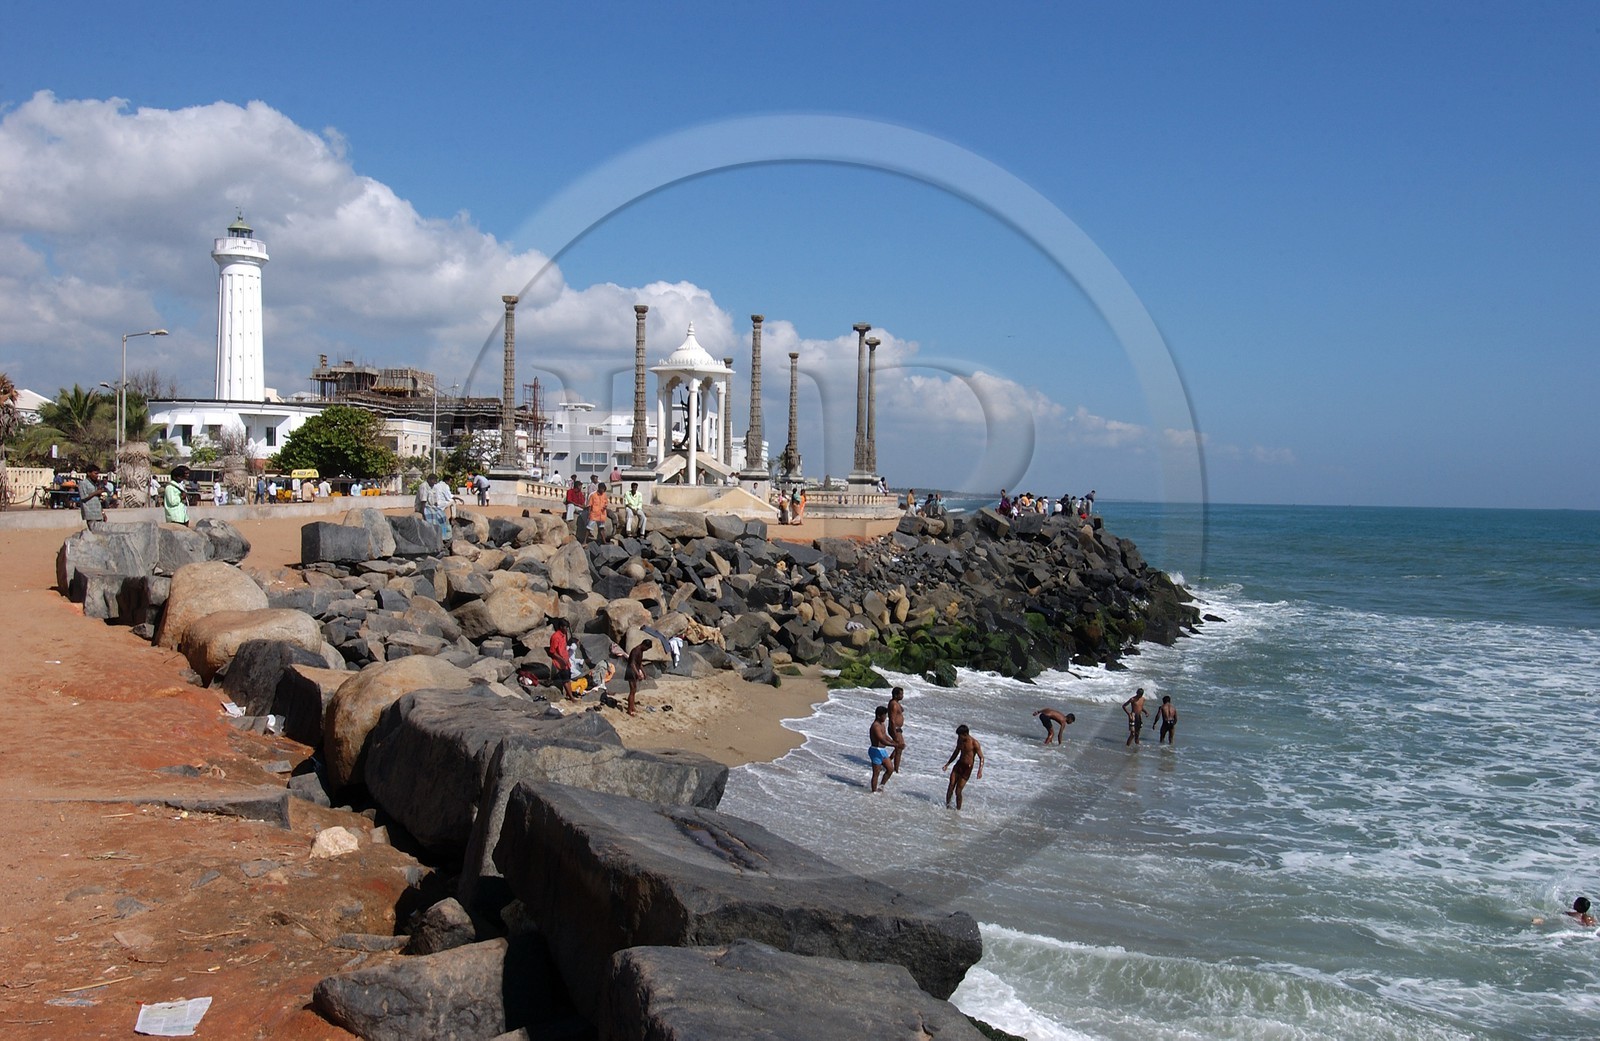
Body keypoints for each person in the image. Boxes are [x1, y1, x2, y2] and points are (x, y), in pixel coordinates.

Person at [941, 724, 984, 809]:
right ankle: (947, 806)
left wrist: (980, 770)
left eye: (960, 735)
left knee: (958, 791)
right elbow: (956, 752)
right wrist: (948, 764)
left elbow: (981, 757)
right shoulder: (960, 740)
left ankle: (958, 810)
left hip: (967, 768)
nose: (959, 737)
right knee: (951, 785)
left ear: (965, 734)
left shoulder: (974, 743)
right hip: (959, 765)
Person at [869, 705, 896, 792]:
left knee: (890, 769)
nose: (885, 717)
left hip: (882, 751)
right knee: (876, 773)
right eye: (884, 716)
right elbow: (882, 740)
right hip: (875, 751)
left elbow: (885, 736)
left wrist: (893, 742)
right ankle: (873, 792)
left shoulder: (882, 724)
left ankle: (881, 787)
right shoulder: (876, 726)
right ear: (879, 716)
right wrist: (894, 745)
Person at [547, 618, 576, 701]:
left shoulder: (564, 635)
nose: (567, 629)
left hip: (566, 661)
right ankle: (571, 698)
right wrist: (561, 659)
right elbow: (552, 651)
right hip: (560, 662)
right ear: (561, 627)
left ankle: (569, 695)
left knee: (568, 678)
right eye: (565, 627)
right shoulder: (555, 637)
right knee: (565, 680)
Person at [625, 638, 652, 716]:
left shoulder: (640, 651)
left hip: (634, 671)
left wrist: (644, 673)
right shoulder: (635, 651)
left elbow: (639, 663)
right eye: (647, 648)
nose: (646, 650)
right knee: (632, 691)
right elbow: (632, 664)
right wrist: (638, 674)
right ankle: (629, 709)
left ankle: (632, 707)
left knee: (634, 690)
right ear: (644, 645)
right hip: (631, 672)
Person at [887, 687, 907, 771]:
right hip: (894, 728)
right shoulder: (894, 705)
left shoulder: (896, 703)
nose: (902, 696)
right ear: (896, 695)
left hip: (898, 728)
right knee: (899, 747)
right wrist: (894, 733)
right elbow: (892, 719)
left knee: (899, 747)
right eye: (901, 694)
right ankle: (895, 769)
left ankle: (888, 761)